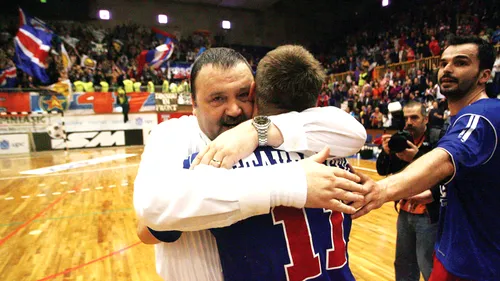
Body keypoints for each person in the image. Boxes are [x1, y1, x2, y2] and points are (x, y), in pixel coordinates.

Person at [134, 47, 367, 281]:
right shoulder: (173, 134)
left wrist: (257, 129)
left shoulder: (269, 131)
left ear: (255, 91)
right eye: (218, 99)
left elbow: (355, 133)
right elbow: (150, 222)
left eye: (243, 95)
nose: (234, 110)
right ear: (193, 102)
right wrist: (291, 182)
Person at [353, 35, 499, 280]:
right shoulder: (460, 120)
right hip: (460, 247)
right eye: (443, 63)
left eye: (461, 63)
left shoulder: (482, 114)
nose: (448, 69)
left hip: (477, 262)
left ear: (484, 75)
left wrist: (381, 190)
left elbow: (444, 159)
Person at [376, 101, 440, 281]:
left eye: (414, 117)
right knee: (403, 264)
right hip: (405, 211)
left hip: (428, 214)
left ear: (426, 119)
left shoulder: (437, 138)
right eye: (406, 118)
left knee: (428, 265)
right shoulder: (403, 140)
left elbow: (446, 173)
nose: (409, 122)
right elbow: (382, 170)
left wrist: (417, 156)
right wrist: (386, 152)